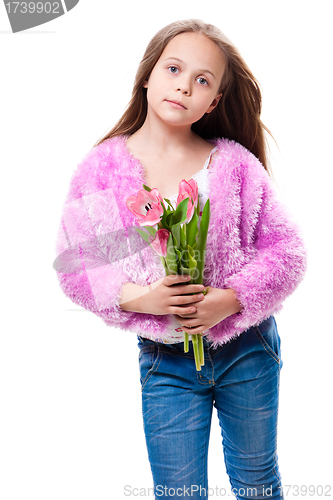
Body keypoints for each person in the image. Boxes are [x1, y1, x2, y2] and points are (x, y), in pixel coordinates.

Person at [55, 19, 306, 500]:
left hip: (246, 350)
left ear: (213, 102)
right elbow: (78, 264)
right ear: (148, 75)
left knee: (256, 482)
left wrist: (231, 300)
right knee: (178, 491)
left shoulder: (232, 164)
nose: (184, 85)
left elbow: (287, 252)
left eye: (203, 80)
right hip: (166, 362)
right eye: (174, 68)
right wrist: (142, 298)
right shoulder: (104, 169)